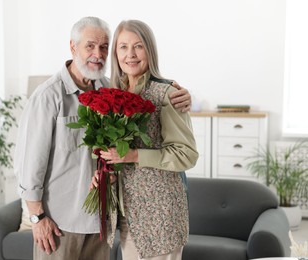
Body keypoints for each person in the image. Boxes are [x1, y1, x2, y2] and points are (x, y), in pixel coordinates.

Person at [14, 16, 192, 260]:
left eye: (104, 46)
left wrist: (175, 91)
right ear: (73, 47)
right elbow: (28, 163)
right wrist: (37, 217)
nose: (97, 53)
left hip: (102, 224)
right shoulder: (48, 96)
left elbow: (119, 154)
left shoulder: (112, 90)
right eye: (90, 45)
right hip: (60, 224)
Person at [96, 20, 199, 260]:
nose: (130, 54)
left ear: (149, 51)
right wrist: (106, 171)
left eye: (138, 46)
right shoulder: (113, 96)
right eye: (123, 47)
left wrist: (134, 156)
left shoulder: (168, 94)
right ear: (115, 53)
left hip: (160, 217)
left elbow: (186, 154)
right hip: (127, 215)